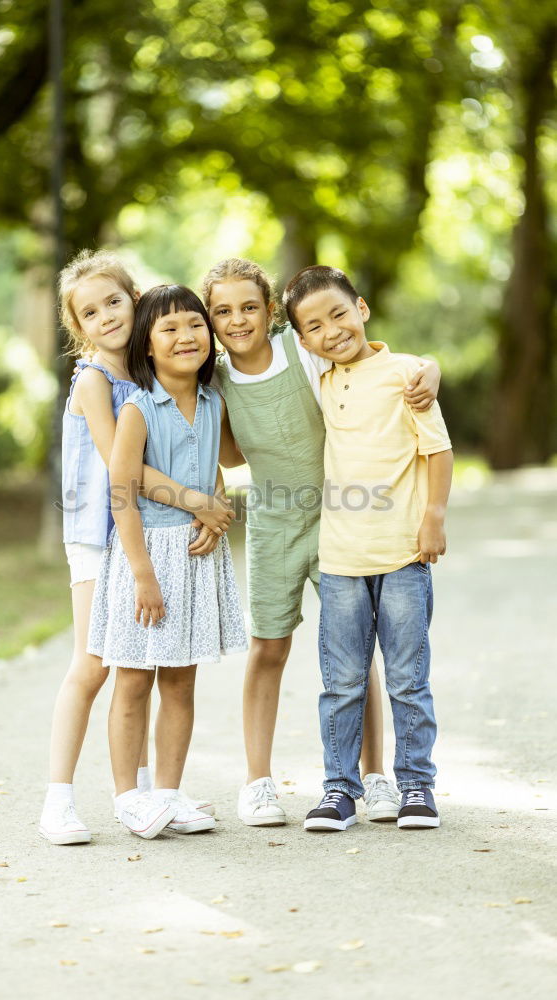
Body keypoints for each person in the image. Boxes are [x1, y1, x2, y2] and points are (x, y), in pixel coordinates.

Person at [203, 258, 442, 827]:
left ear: (272, 314)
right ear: (210, 320)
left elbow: (369, 359)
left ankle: (376, 775)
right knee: (268, 647)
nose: (238, 320)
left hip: (342, 519)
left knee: (357, 655)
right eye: (223, 311)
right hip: (272, 524)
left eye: (250, 307)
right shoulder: (215, 378)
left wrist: (430, 367)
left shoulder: (302, 349)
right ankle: (258, 782)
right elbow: (229, 453)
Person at [39, 252, 233, 846]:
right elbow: (126, 471)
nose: (105, 317)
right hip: (98, 536)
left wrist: (207, 504)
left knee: (156, 661)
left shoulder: (155, 378)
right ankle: (59, 800)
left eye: (114, 302)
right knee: (97, 665)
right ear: (79, 328)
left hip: (147, 532)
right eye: (89, 312)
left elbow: (197, 450)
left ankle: (151, 796)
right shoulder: (96, 380)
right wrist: (201, 501)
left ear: (135, 300)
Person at [284, 265, 452, 832]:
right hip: (340, 561)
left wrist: (433, 519)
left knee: (407, 678)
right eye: (314, 326)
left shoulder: (407, 374)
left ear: (363, 308)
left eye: (338, 312)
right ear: (304, 342)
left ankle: (416, 787)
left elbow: (438, 450)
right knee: (342, 683)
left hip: (405, 554)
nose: (331, 330)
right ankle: (338, 791)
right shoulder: (323, 380)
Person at [87, 284, 247, 840]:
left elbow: (212, 470)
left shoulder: (213, 403)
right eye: (169, 328)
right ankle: (127, 798)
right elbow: (123, 490)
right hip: (147, 558)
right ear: (148, 346)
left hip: (196, 557)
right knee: (133, 679)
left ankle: (169, 793)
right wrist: (143, 574)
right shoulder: (138, 407)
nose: (186, 336)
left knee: (181, 682)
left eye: (196, 325)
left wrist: (211, 512)